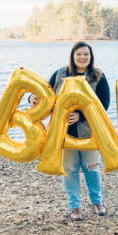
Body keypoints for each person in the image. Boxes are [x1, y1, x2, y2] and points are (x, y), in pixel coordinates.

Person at [29, 41, 109, 221]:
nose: (82, 58)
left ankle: (97, 202)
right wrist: (32, 98)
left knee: (92, 169)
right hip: (63, 133)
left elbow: (104, 105)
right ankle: (75, 207)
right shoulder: (59, 74)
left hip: (90, 132)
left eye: (86, 54)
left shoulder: (99, 77)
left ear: (91, 57)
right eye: (79, 54)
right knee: (69, 170)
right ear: (72, 56)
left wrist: (81, 116)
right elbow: (45, 95)